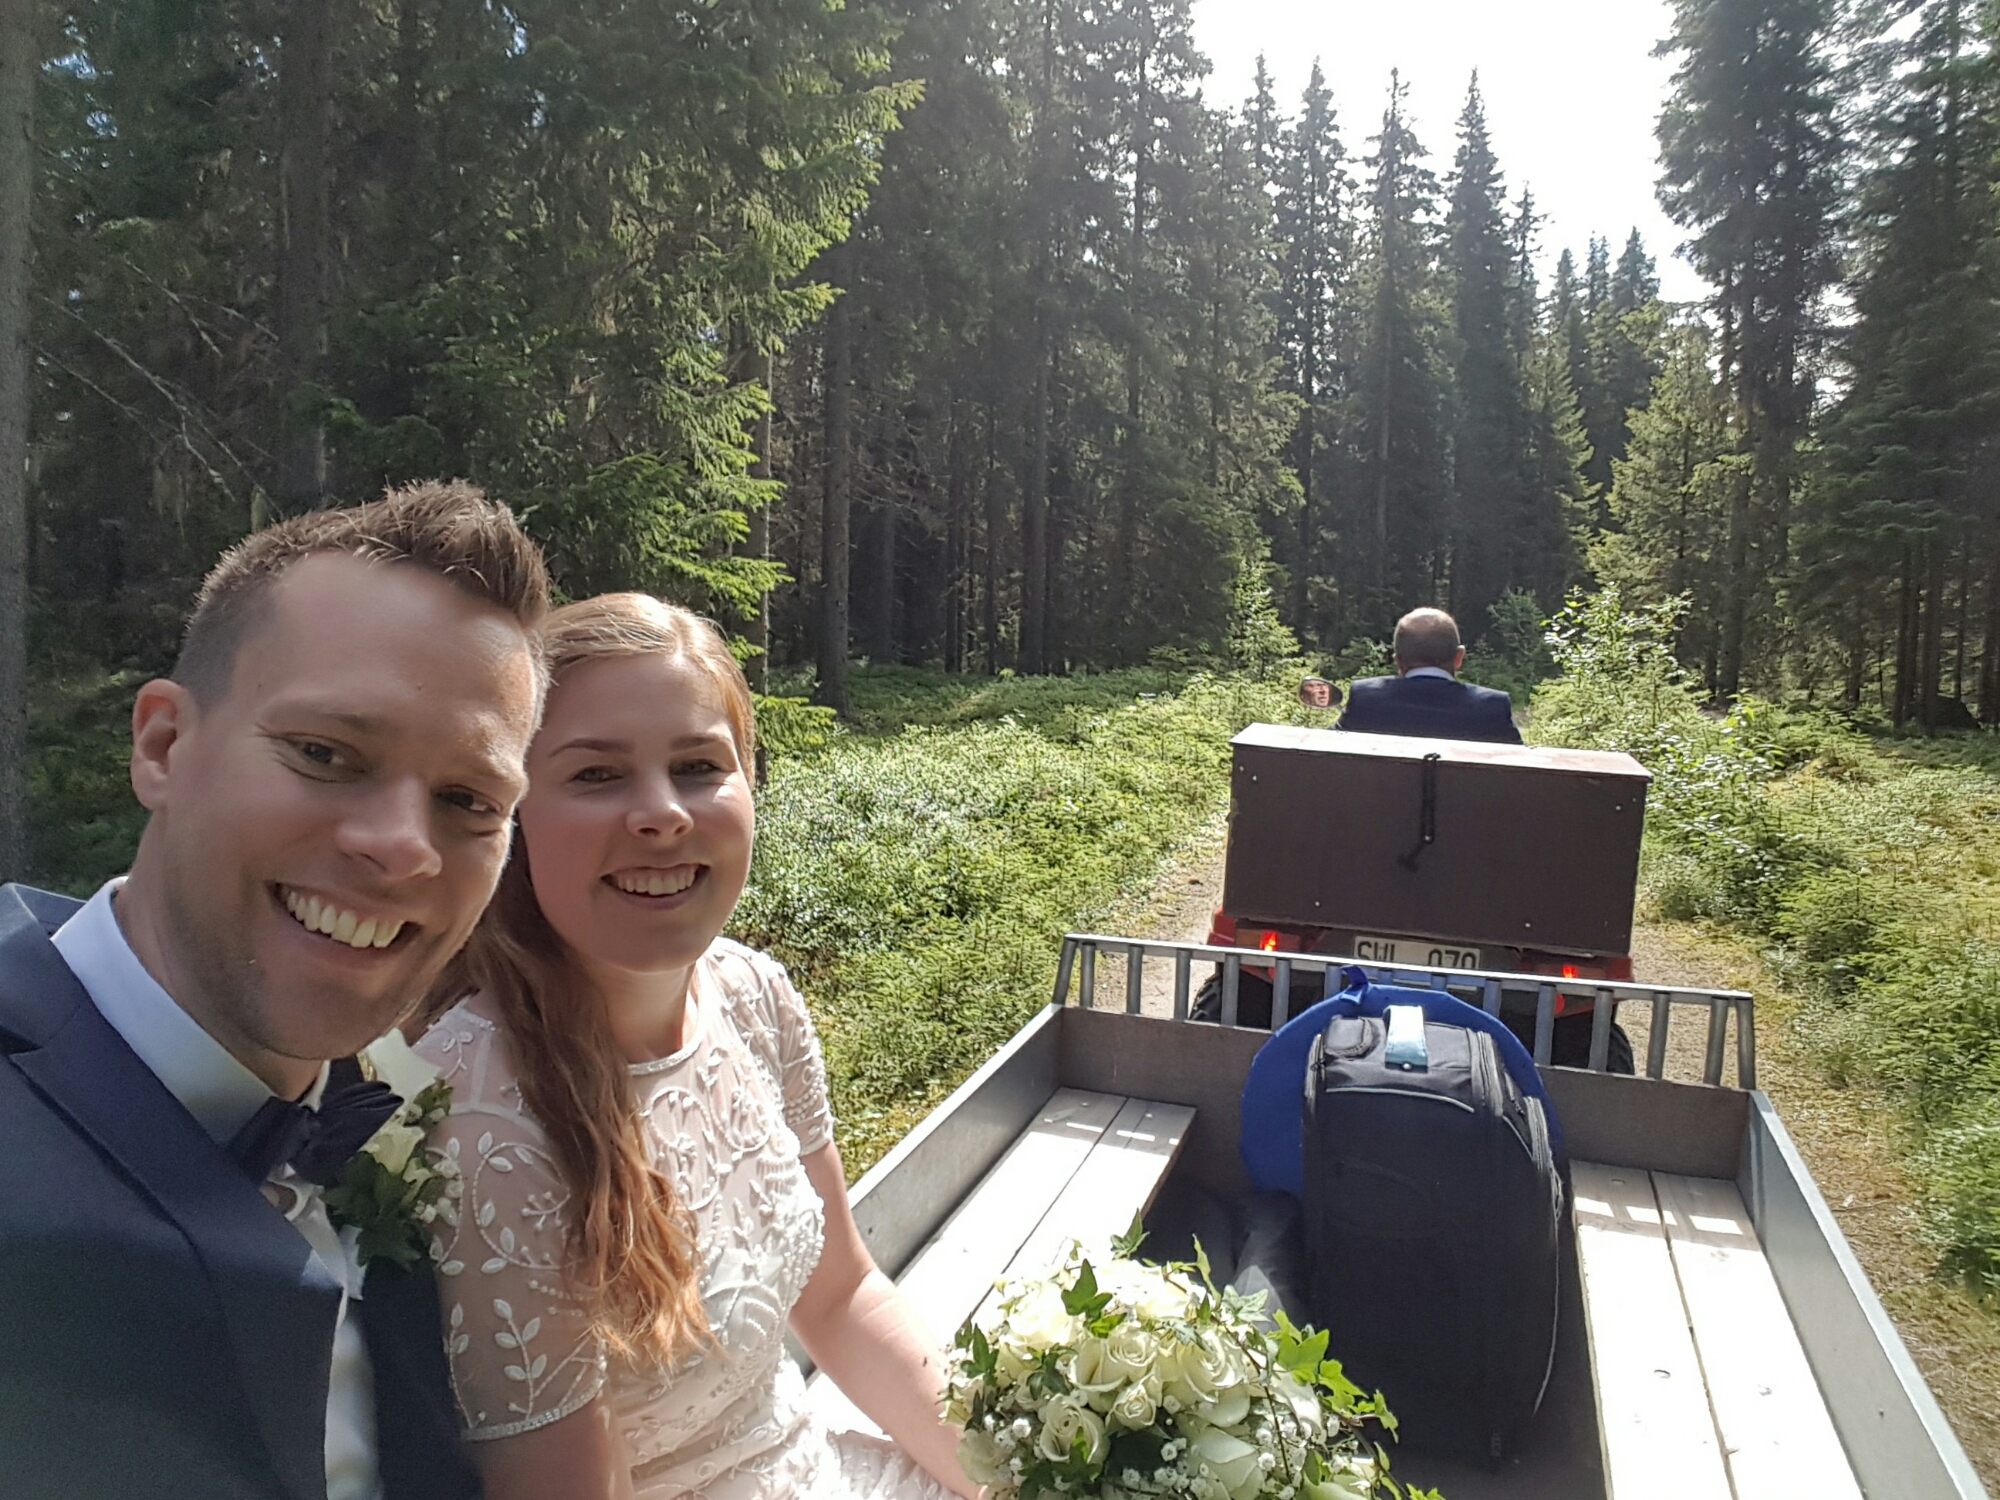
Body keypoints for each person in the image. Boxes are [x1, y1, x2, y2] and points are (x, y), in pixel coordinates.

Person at [0, 481, 550, 1500]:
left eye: (468, 800)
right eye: (325, 754)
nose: (401, 846)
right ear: (164, 746)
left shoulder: (404, 1108)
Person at [414, 594, 975, 1500]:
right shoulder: (480, 1117)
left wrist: (1011, 1473)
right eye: (597, 775)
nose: (661, 814)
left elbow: (841, 1295)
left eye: (698, 766)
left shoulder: (754, 996)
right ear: (512, 815)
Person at [1336, 607, 1523, 745]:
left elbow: (1325, 750)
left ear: (1398, 661)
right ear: (1459, 657)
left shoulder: (1365, 699)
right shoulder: (1492, 707)